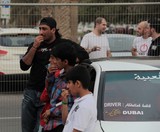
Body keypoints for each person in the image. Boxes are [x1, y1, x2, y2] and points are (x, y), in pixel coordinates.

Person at [20, 17, 62, 132]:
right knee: (26, 128)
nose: (41, 32)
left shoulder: (61, 44)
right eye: (40, 29)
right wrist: (34, 47)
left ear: (53, 30)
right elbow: (24, 66)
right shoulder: (36, 44)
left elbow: (80, 55)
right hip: (31, 92)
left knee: (41, 128)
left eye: (44, 29)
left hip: (47, 94)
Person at [41, 41, 77, 132]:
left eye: (55, 59)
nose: (51, 61)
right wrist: (50, 75)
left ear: (65, 62)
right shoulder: (61, 75)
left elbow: (71, 106)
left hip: (61, 126)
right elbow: (50, 94)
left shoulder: (74, 81)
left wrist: (51, 111)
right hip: (51, 125)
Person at [61, 65, 97, 132]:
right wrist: (64, 102)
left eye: (69, 83)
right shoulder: (80, 101)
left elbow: (77, 130)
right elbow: (66, 122)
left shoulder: (85, 105)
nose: (67, 86)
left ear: (77, 83)